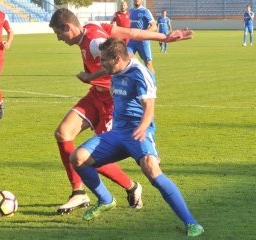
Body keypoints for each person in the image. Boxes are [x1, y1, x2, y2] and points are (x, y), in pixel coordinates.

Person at [49, 8, 193, 214]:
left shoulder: (94, 42)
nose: (58, 38)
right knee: (63, 133)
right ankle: (79, 193)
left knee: (93, 156)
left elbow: (121, 57)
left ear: (67, 27)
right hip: (95, 96)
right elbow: (130, 33)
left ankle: (131, 186)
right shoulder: (92, 28)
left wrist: (97, 76)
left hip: (112, 101)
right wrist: (165, 37)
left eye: (58, 33)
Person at [70, 37, 204, 237]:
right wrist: (90, 78)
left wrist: (142, 127)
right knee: (77, 158)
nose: (101, 63)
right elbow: (105, 70)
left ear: (116, 58)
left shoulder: (140, 74)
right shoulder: (117, 65)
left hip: (138, 132)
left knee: (152, 170)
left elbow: (149, 106)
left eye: (104, 60)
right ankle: (106, 200)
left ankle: (191, 223)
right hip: (117, 134)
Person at [128, 0, 157, 73]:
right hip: (131, 41)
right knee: (126, 59)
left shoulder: (145, 11)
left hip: (143, 42)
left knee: (148, 64)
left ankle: (152, 83)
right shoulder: (129, 11)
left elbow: (154, 27)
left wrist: (144, 33)